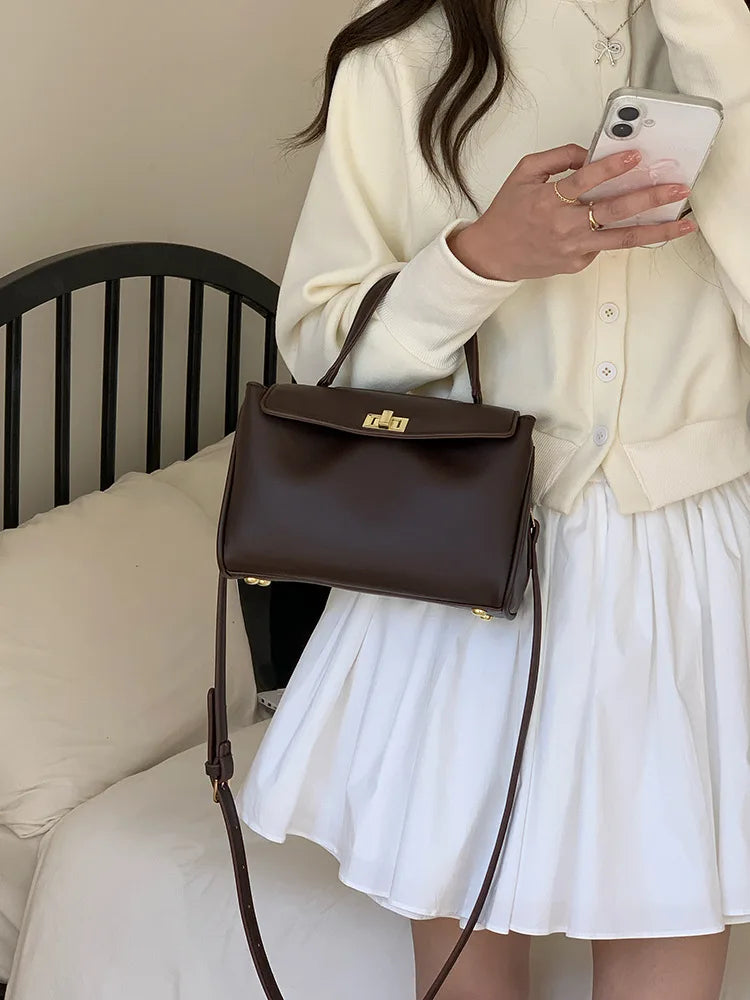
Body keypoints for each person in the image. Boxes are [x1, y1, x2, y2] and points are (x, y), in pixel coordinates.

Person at [238, 1, 750, 997]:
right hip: (471, 560)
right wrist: (478, 261)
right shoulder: (404, 56)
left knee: (671, 906)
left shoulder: (728, 37)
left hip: (692, 565)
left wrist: (717, 40)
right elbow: (320, 358)